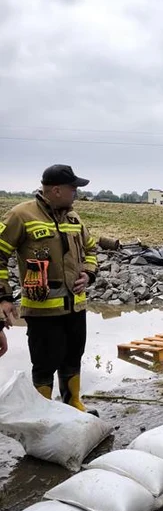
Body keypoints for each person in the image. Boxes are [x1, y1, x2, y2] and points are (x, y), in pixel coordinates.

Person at [0, 164, 98, 409]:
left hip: (76, 308)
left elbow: (91, 249)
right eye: (72, 188)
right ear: (56, 190)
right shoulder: (21, 215)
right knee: (44, 366)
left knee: (73, 359)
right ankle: (44, 414)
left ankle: (73, 404)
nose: (76, 193)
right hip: (43, 312)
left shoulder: (74, 217)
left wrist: (88, 273)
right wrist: (3, 297)